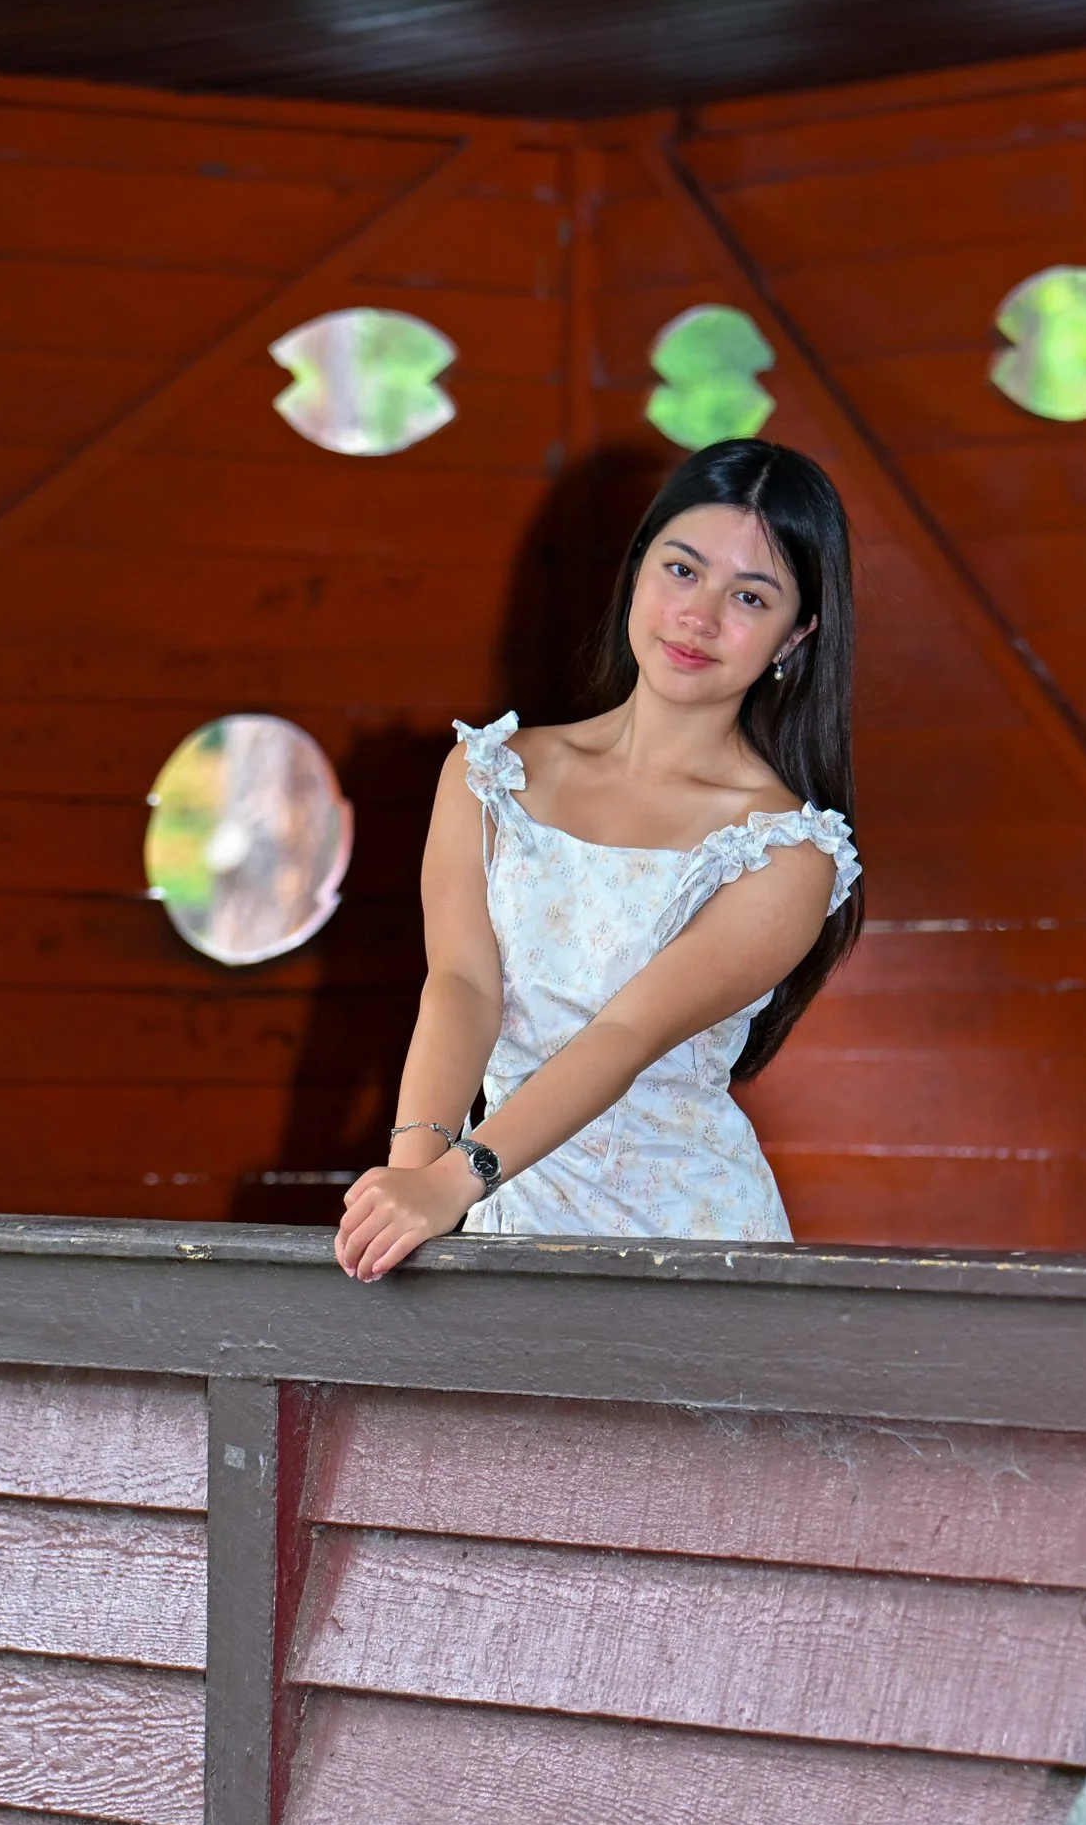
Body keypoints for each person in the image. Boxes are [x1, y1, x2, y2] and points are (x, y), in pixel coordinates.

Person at [334, 437, 862, 1279]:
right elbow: (462, 984)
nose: (699, 616)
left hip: (685, 1241)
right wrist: (406, 1182)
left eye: (750, 596)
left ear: (795, 636)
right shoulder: (489, 774)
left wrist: (453, 1179)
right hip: (495, 1209)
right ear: (639, 567)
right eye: (682, 571)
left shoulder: (788, 851)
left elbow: (623, 1033)